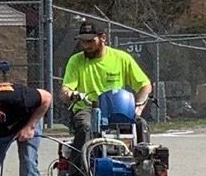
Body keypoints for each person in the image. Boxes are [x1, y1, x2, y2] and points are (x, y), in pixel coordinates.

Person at [60, 21, 152, 166]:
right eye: (83, 41)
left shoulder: (122, 58)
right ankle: (77, 174)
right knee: (85, 126)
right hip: (88, 108)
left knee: (140, 124)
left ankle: (143, 167)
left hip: (116, 109)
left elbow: (145, 85)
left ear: (103, 38)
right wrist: (69, 94)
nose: (85, 46)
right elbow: (66, 89)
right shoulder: (76, 61)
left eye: (90, 41)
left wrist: (138, 107)